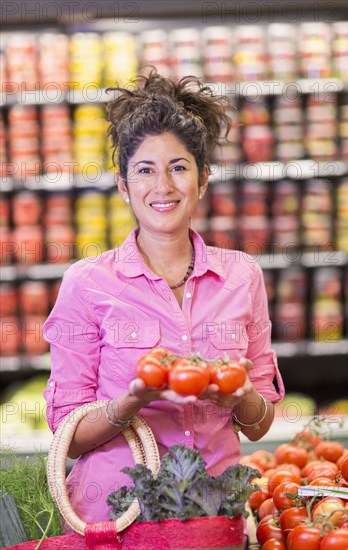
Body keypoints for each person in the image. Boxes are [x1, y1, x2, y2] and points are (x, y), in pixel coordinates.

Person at [43, 70, 285, 526]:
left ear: (203, 178)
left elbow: (260, 424)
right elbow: (68, 437)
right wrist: (130, 402)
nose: (164, 187)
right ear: (123, 186)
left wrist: (241, 395)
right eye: (145, 170)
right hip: (119, 516)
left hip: (216, 513)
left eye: (178, 167)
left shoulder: (241, 276)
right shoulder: (86, 282)